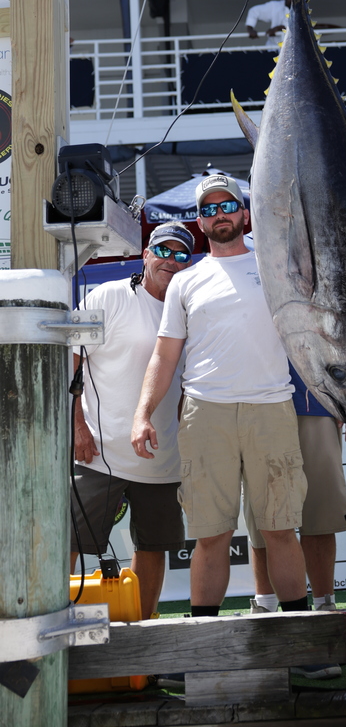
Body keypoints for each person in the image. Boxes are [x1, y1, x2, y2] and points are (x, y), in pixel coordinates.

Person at [131, 174, 308, 621]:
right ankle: (202, 638)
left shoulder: (277, 264)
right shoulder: (185, 282)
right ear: (200, 222)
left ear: (245, 213)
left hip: (271, 407)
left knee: (280, 529)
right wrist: (142, 413)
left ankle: (302, 637)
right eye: (208, 209)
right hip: (204, 412)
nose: (219, 215)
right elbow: (164, 355)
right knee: (210, 536)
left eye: (227, 205)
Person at [70, 222, 194, 619]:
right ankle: (53, 628)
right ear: (146, 254)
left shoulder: (192, 309)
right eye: (163, 251)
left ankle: (145, 633)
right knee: (68, 542)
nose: (171, 260)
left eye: (180, 254)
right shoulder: (107, 295)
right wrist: (76, 426)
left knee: (153, 548)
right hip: (97, 451)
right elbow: (69, 362)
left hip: (163, 459)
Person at [246, 364, 346, 679]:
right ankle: (266, 614)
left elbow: (343, 340)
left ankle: (325, 613)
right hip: (256, 402)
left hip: (317, 400)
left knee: (320, 514)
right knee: (265, 517)